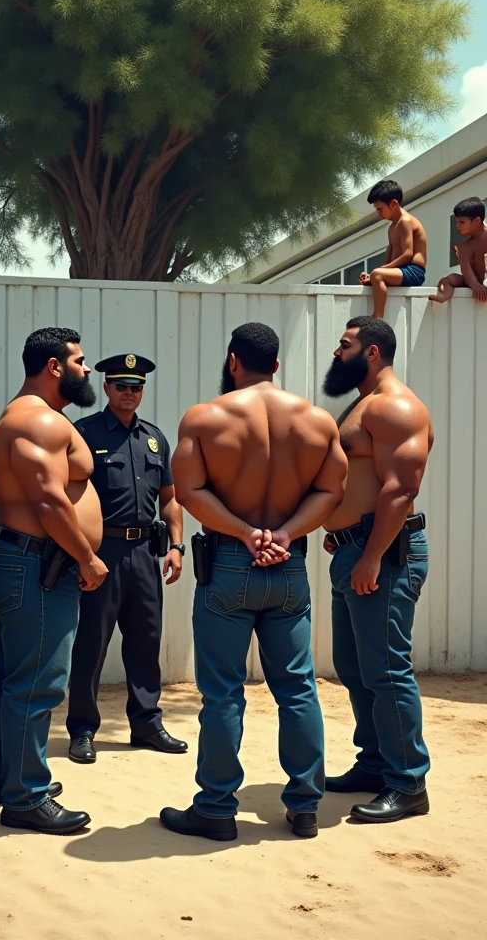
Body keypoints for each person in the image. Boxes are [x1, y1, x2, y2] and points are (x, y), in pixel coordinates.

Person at [159, 323, 347, 842]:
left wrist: (245, 534)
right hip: (287, 566)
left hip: (229, 565)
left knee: (221, 695)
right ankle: (305, 805)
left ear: (232, 361)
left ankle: (216, 809)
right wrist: (282, 533)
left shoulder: (205, 418)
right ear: (277, 365)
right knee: (298, 689)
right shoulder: (316, 420)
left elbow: (190, 492)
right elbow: (332, 491)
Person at [0, 327, 107, 835]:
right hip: (38, 565)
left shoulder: (36, 417)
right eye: (79, 360)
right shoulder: (36, 420)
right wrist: (86, 556)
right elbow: (49, 501)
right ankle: (26, 796)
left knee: (14, 677)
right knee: (37, 684)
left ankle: (5, 775)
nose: (86, 368)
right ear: (54, 367)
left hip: (28, 563)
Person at [322, 316, 433, 823]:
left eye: (344, 345)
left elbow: (400, 489)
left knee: (387, 671)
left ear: (370, 352)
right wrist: (341, 532)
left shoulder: (396, 406)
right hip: (355, 550)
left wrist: (369, 555)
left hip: (382, 555)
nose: (336, 353)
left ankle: (408, 783)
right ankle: (375, 763)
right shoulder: (364, 404)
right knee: (354, 668)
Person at [66, 354, 187, 764]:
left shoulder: (154, 438)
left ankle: (147, 724)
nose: (129, 393)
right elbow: (68, 498)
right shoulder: (83, 434)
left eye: (136, 387)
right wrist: (81, 556)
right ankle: (82, 729)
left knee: (145, 641)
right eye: (122, 386)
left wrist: (176, 545)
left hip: (144, 554)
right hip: (102, 554)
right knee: (91, 645)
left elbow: (169, 500)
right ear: (107, 388)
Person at [360, 180, 427, 319]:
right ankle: (376, 280)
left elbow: (408, 254)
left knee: (377, 274)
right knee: (376, 274)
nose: (378, 213)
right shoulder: (392, 227)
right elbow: (389, 254)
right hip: (401, 270)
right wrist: (375, 275)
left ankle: (378, 316)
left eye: (380, 209)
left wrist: (379, 272)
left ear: (393, 204)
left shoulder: (405, 221)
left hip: (414, 270)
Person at [429, 197, 487, 304]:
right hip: (472, 284)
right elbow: (467, 274)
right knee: (447, 280)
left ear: (477, 221)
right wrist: (475, 285)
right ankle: (444, 295)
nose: (457, 226)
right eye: (457, 222)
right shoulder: (463, 247)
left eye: (462, 222)